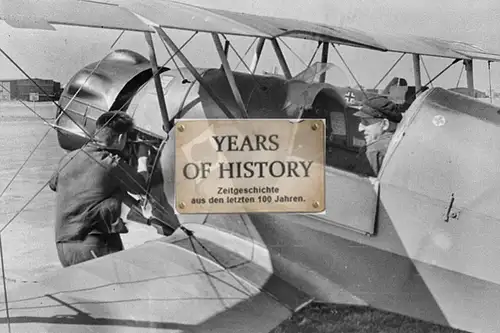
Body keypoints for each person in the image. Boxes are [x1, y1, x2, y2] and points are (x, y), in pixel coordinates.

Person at [49, 111, 153, 267]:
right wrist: (142, 157)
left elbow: (53, 184)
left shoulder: (69, 157)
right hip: (92, 243)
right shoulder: (111, 164)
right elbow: (141, 186)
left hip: (64, 245)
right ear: (120, 138)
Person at [354, 97, 402, 175]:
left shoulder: (373, 151)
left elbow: (360, 185)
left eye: (366, 122)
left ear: (385, 124)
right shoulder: (403, 143)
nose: (360, 129)